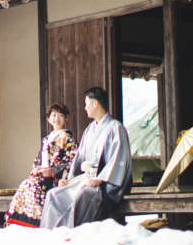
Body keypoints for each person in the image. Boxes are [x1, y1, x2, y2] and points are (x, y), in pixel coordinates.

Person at [40, 87, 132, 229]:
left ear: (95, 104)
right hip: (86, 179)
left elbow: (118, 160)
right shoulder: (90, 129)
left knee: (83, 195)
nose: (85, 108)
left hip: (105, 183)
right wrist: (69, 179)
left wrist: (100, 179)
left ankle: (71, 234)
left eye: (86, 104)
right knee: (54, 195)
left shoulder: (116, 127)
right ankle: (51, 235)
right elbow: (79, 157)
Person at [4, 103, 76, 228]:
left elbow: (71, 160)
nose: (57, 119)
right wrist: (37, 168)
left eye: (61, 115)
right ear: (48, 119)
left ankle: (35, 222)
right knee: (26, 184)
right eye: (53, 115)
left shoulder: (67, 138)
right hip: (43, 174)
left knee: (32, 186)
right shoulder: (47, 139)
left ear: (66, 119)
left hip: (55, 177)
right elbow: (39, 158)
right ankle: (21, 222)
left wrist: (53, 171)